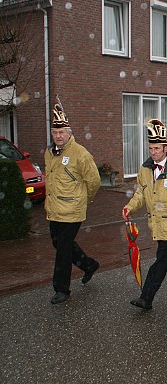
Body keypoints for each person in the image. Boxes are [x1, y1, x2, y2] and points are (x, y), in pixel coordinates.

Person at [122, 119, 167, 310]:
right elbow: (140, 193)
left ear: (166, 148)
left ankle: (147, 297)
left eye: (157, 148)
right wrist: (130, 207)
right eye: (151, 148)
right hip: (156, 222)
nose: (153, 152)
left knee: (161, 259)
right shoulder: (145, 169)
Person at [44, 104, 101, 304]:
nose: (58, 136)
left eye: (61, 132)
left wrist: (84, 200)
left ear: (69, 133)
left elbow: (94, 181)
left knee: (63, 249)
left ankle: (62, 289)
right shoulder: (50, 153)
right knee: (58, 242)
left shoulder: (80, 154)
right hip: (54, 209)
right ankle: (88, 265)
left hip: (72, 210)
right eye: (55, 132)